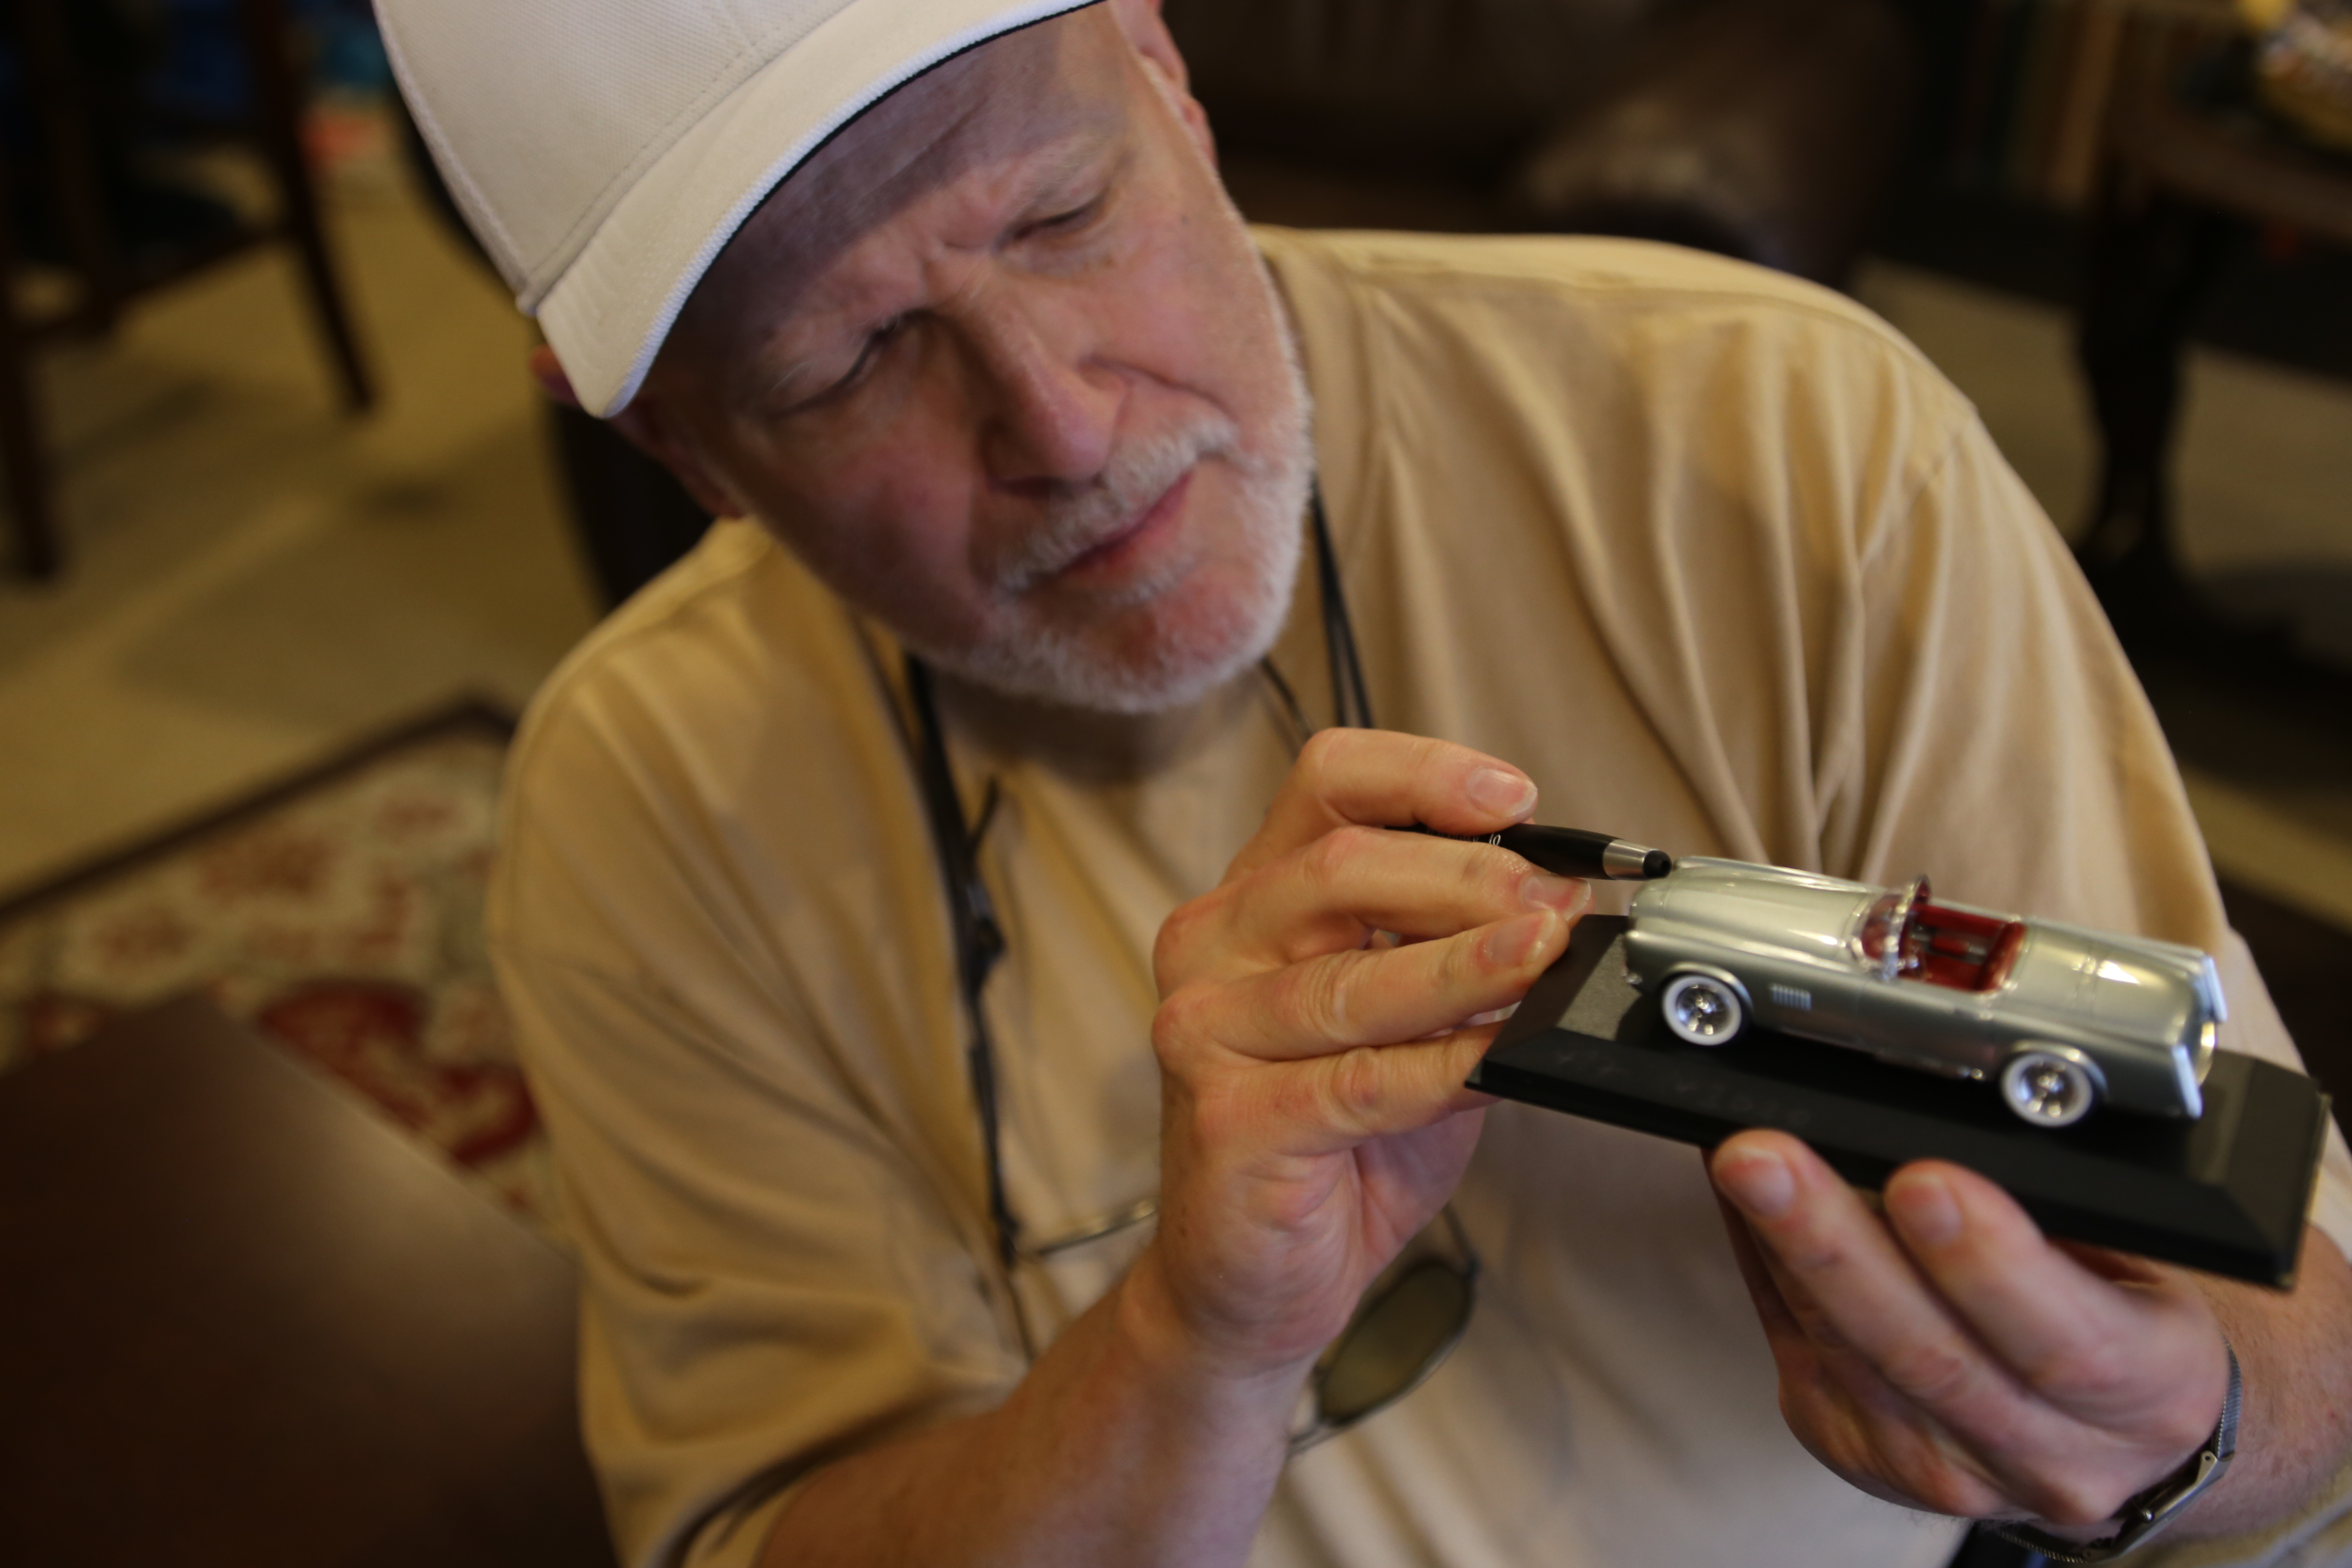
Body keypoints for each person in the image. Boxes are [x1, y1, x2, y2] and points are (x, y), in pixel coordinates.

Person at [375, 1, 2352, 1565]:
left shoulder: (1780, 444)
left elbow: (2311, 1349)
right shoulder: (643, 799)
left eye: (1067, 212)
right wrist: (1186, 1349)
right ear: (674, 446)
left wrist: (2173, 1442)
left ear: (1169, 74)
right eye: (849, 362)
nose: (1059, 425)